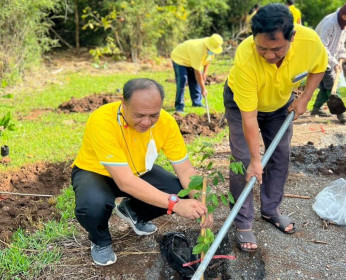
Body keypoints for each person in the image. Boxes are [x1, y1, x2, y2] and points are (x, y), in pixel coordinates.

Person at [71, 78, 212, 266]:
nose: (147, 122)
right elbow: (125, 182)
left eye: (154, 115)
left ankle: (133, 212)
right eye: (139, 115)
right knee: (92, 205)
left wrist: (202, 201)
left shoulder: (166, 122)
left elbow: (185, 168)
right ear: (124, 103)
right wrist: (176, 204)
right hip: (95, 172)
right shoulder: (102, 120)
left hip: (137, 170)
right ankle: (100, 240)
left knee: (177, 188)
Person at [223, 3, 327, 252]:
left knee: (279, 155)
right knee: (244, 160)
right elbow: (250, 117)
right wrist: (256, 160)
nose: (269, 55)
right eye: (262, 49)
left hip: (280, 104)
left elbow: (319, 67)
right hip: (243, 106)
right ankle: (243, 221)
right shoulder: (246, 57)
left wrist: (303, 99)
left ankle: (270, 210)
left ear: (292, 36)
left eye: (277, 49)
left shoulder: (309, 41)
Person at [311, 0, 346, 124]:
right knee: (332, 85)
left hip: (329, 57)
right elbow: (322, 47)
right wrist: (334, 62)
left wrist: (341, 57)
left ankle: (316, 109)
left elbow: (341, 42)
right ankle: (340, 113)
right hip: (318, 55)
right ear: (342, 13)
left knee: (324, 86)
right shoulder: (330, 23)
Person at [171, 34, 223, 113]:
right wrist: (203, 89)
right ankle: (179, 106)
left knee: (194, 80)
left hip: (191, 59)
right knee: (183, 79)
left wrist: (205, 73)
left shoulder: (211, 49)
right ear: (208, 45)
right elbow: (197, 73)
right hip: (180, 58)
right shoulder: (198, 50)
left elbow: (208, 60)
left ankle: (197, 102)